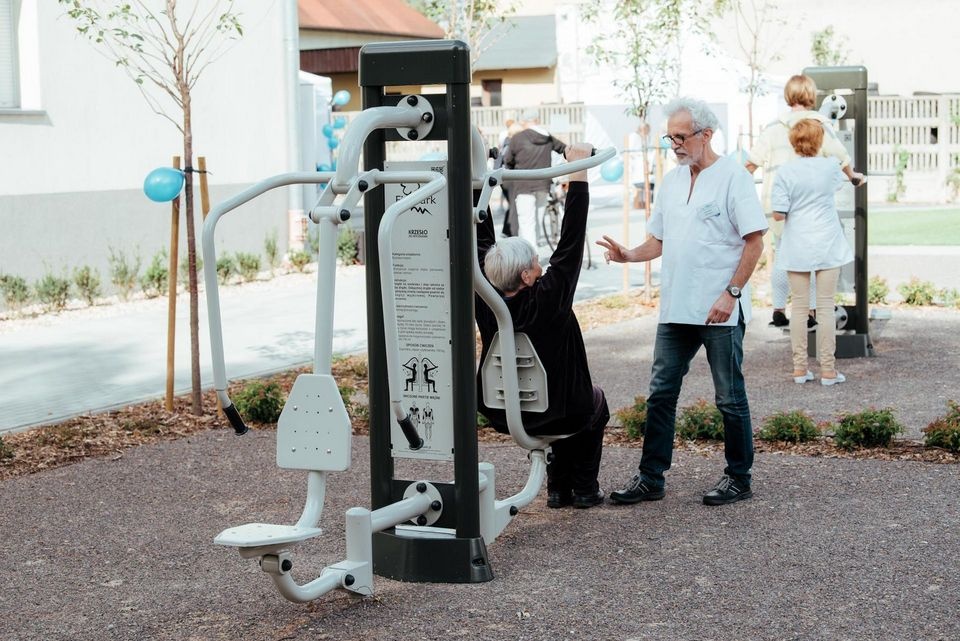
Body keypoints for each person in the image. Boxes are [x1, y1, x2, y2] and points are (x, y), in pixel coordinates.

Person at [596, 97, 768, 506]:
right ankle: (651, 478)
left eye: (680, 136)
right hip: (676, 309)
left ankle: (739, 478)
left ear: (706, 135)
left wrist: (732, 294)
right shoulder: (671, 182)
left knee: (729, 397)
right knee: (660, 394)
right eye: (669, 136)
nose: (673, 144)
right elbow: (659, 240)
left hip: (719, 310)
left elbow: (755, 242)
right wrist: (628, 256)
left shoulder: (733, 177)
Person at [476, 142, 608, 510]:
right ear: (526, 275)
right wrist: (578, 168)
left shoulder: (484, 296)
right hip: (560, 409)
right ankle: (583, 487)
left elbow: (479, 239)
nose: (542, 265)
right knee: (594, 403)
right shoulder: (549, 296)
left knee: (563, 397)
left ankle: (555, 488)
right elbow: (571, 239)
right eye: (537, 262)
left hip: (504, 412)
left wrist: (478, 180)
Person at [746, 74, 864, 328]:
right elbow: (841, 157)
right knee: (811, 260)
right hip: (808, 206)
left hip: (776, 203)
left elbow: (750, 163)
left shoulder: (774, 127)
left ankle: (778, 310)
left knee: (782, 253)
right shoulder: (819, 125)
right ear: (812, 95)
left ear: (789, 96)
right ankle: (810, 313)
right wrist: (853, 176)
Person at [771, 119, 854, 386]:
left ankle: (799, 370)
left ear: (793, 142)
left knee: (799, 307)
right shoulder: (830, 167)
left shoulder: (784, 173)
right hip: (827, 243)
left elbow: (778, 214)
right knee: (826, 306)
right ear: (819, 141)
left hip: (797, 244)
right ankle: (828, 371)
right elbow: (844, 172)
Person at [503, 108, 567, 250]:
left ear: (524, 122)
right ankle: (533, 255)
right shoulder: (548, 137)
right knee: (537, 221)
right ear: (537, 120)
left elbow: (507, 160)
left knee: (527, 223)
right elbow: (564, 149)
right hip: (543, 185)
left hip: (523, 186)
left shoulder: (517, 138)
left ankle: (530, 257)